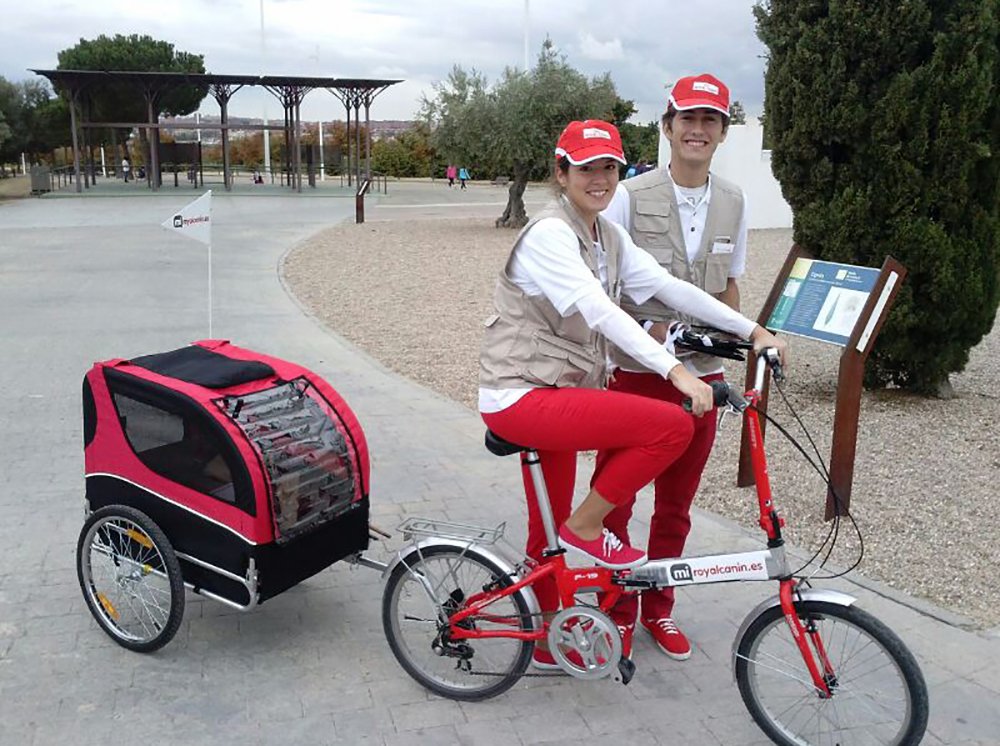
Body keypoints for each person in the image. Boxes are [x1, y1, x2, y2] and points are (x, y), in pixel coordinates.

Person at [478, 119, 787, 670]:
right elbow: (598, 310)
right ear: (561, 172)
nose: (599, 179)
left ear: (619, 173)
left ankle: (548, 638)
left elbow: (673, 290)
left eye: (609, 168)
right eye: (586, 168)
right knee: (668, 426)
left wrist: (752, 330)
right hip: (523, 394)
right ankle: (586, 526)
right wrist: (677, 373)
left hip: (558, 392)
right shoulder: (551, 233)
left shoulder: (608, 237)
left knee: (543, 528)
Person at [599, 73, 748, 662]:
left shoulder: (734, 200)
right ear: (667, 127)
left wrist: (737, 345)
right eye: (687, 118)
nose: (697, 129)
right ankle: (615, 608)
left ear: (721, 133)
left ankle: (659, 607)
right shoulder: (631, 196)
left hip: (702, 382)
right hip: (638, 377)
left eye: (709, 120)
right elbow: (607, 291)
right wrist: (653, 338)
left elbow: (729, 286)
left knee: (676, 505)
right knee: (615, 499)